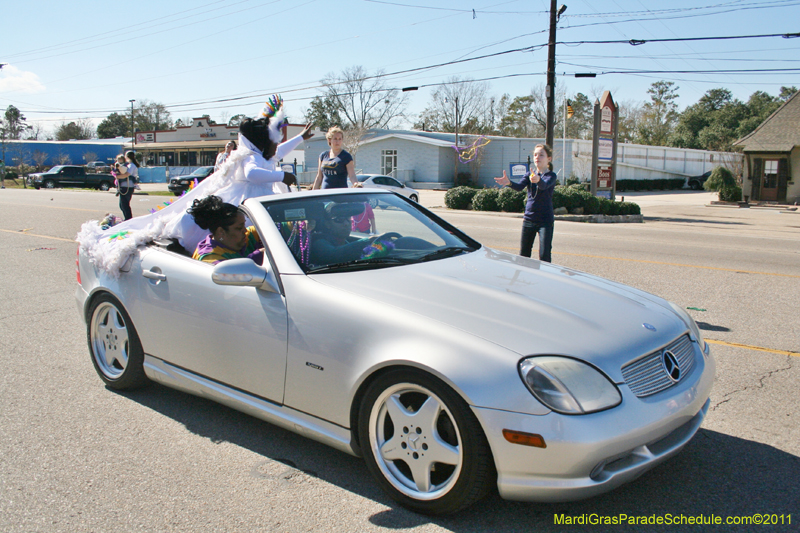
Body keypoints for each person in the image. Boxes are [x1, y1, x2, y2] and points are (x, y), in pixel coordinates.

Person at [77, 95, 314, 278]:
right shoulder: (248, 158)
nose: (277, 147)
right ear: (262, 143)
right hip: (244, 202)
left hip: (258, 199)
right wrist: (280, 176)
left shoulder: (263, 155)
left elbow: (279, 152)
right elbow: (252, 174)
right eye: (273, 142)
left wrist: (300, 138)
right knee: (241, 230)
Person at [494, 143, 557, 262]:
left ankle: (545, 279)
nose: (537, 157)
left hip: (545, 220)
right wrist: (509, 183)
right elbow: (519, 187)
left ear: (549, 159)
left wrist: (538, 179)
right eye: (535, 155)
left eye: (541, 155)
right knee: (523, 255)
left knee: (544, 255)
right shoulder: (529, 174)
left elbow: (544, 186)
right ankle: (523, 279)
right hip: (529, 219)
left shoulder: (551, 175)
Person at [187, 195, 263, 265]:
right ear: (221, 232)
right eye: (239, 228)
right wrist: (257, 257)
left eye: (244, 225)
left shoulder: (250, 236)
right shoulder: (209, 257)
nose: (245, 230)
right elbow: (229, 276)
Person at [115, 151, 139, 220]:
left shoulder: (131, 165)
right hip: (124, 186)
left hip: (128, 187)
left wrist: (118, 176)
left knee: (124, 205)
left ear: (127, 156)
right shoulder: (128, 165)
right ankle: (127, 218)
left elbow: (127, 174)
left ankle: (128, 219)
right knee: (122, 205)